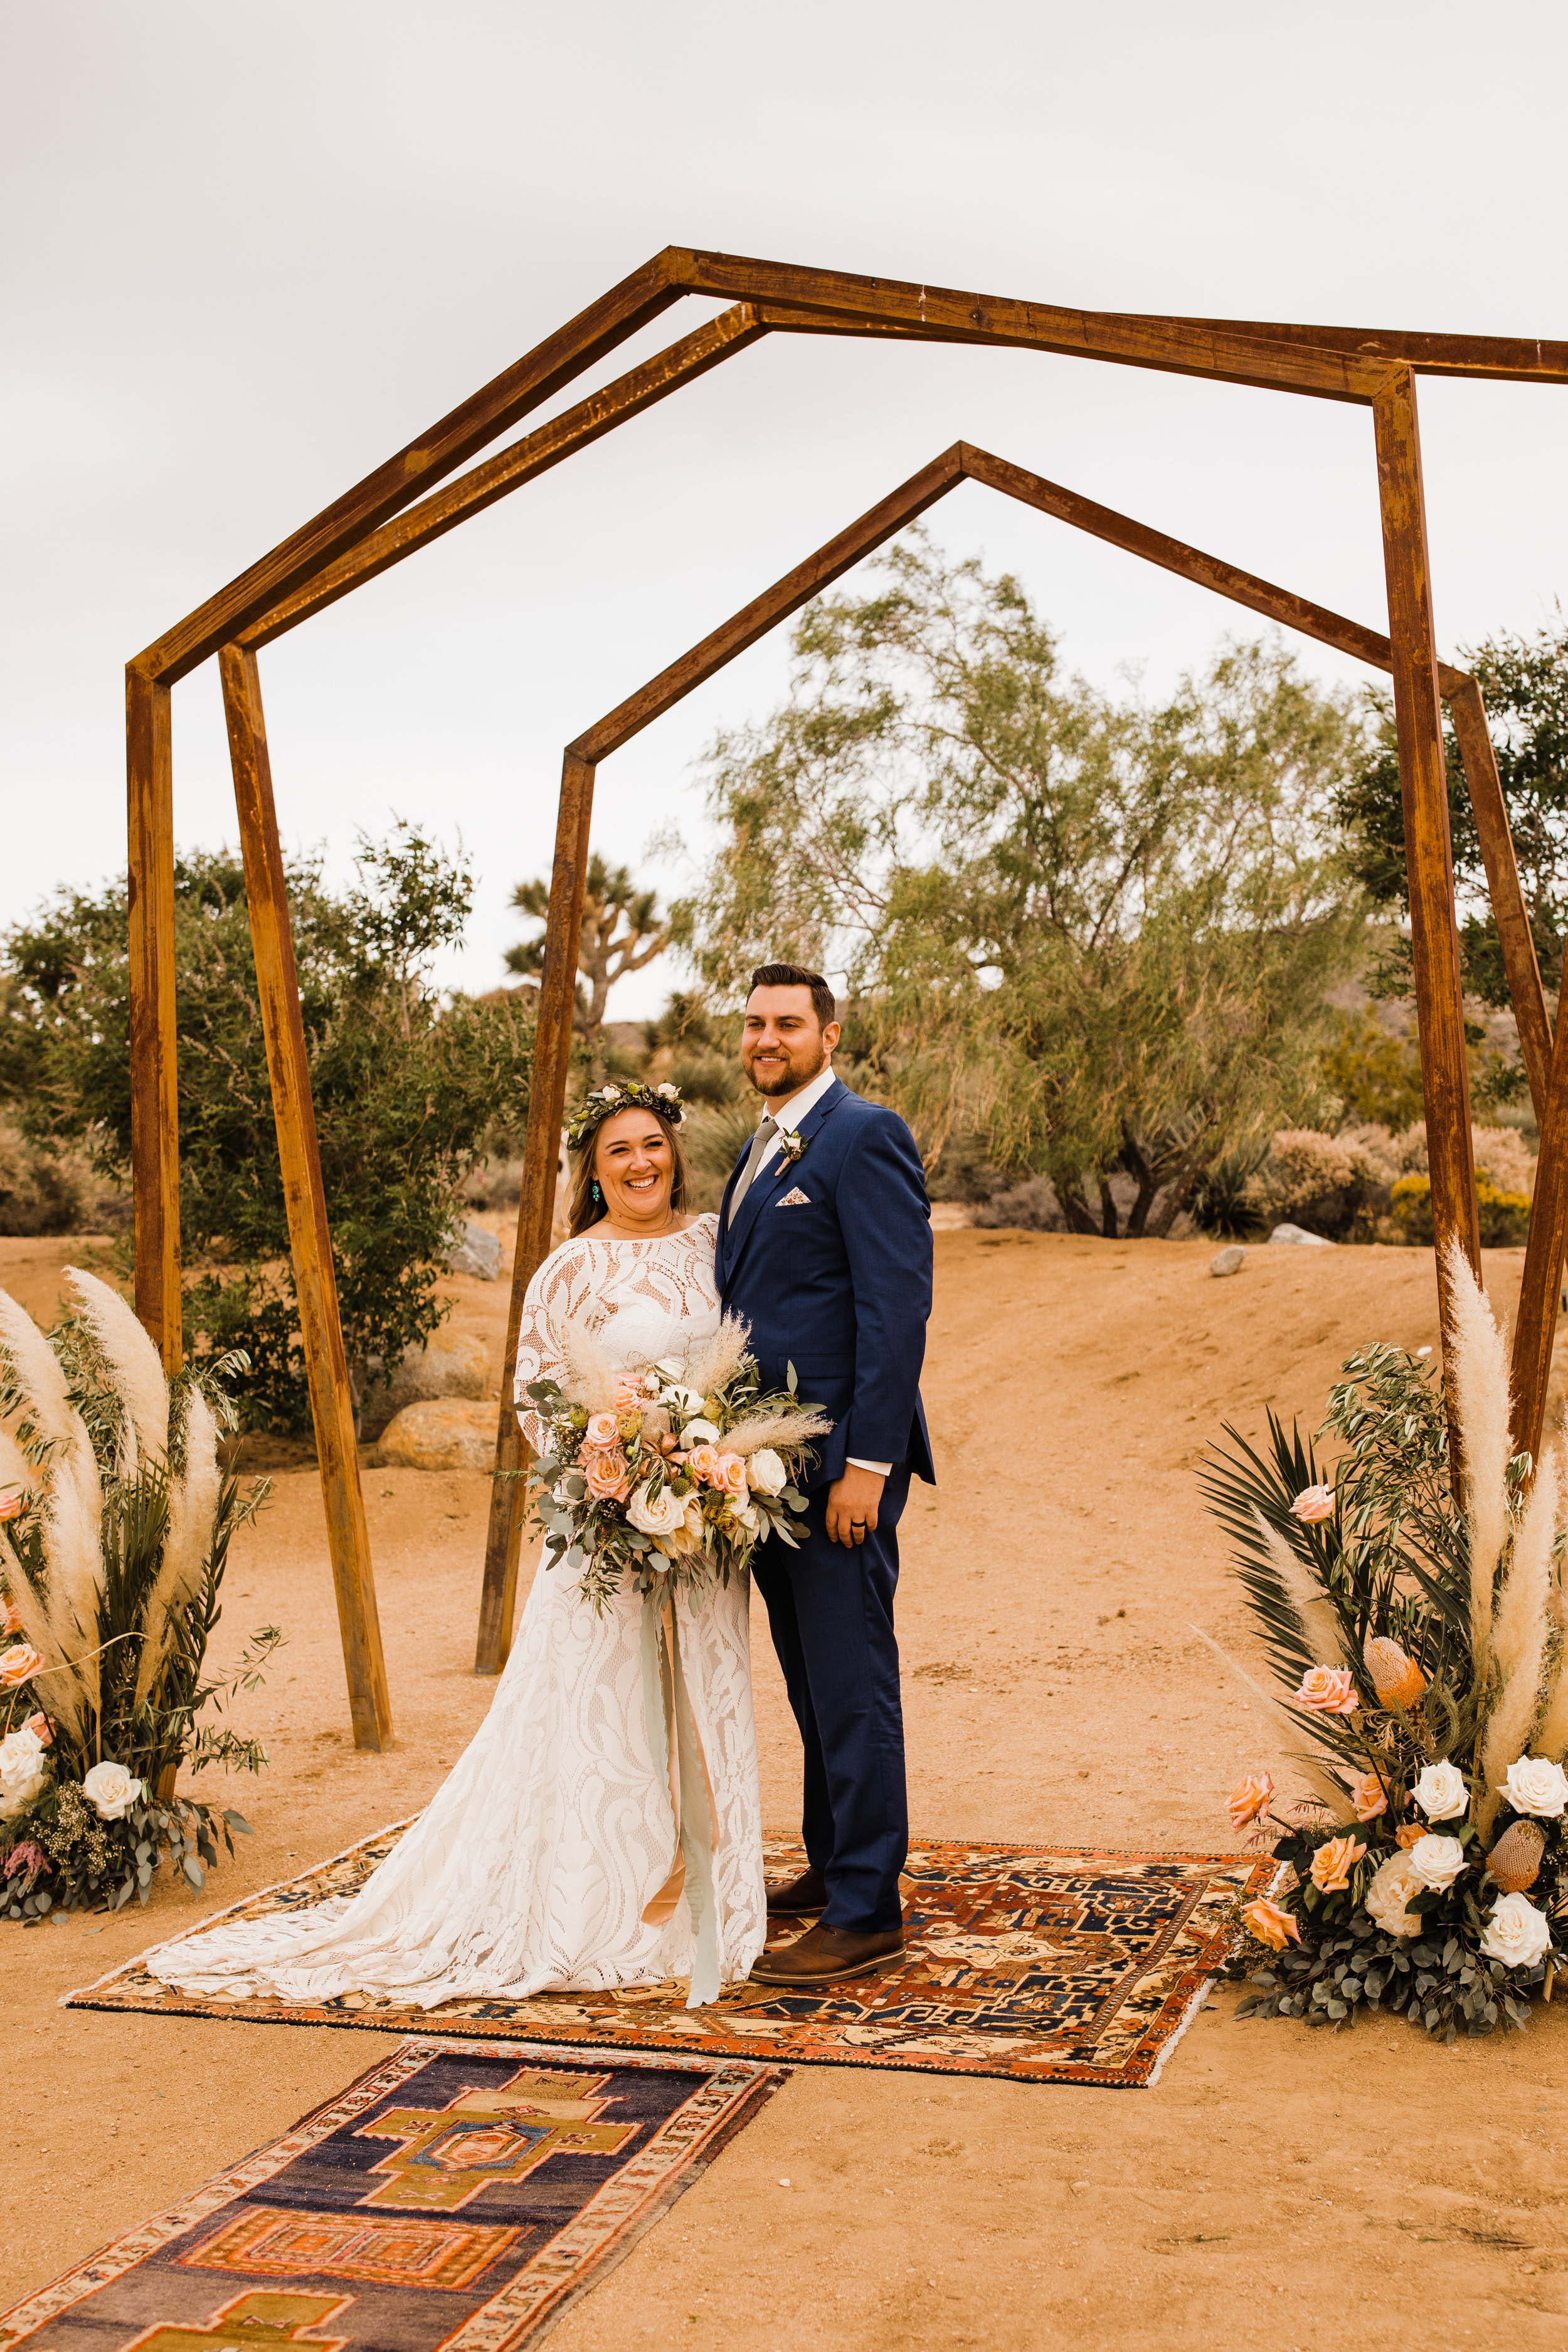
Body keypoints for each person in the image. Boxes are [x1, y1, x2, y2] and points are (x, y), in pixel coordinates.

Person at [144, 1084, 765, 2011]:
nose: (640, 1163)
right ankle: (586, 1905)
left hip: (705, 1526)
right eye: (617, 1152)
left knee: (707, 1700)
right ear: (590, 1172)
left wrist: (706, 1467)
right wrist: (618, 1477)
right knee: (598, 1708)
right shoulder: (568, 1268)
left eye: (652, 1145)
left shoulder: (717, 1241)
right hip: (609, 1533)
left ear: (673, 1149)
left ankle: (714, 1900)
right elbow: (535, 1396)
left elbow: (748, 1365)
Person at [716, 961, 934, 1987]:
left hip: (838, 1466)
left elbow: (896, 1313)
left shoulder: (864, 1135)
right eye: (756, 1022)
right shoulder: (759, 1149)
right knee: (809, 1679)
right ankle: (829, 1861)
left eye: (788, 1023)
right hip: (766, 1469)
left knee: (854, 1680)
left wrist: (869, 1467)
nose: (768, 1038)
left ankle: (867, 1907)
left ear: (829, 1034)